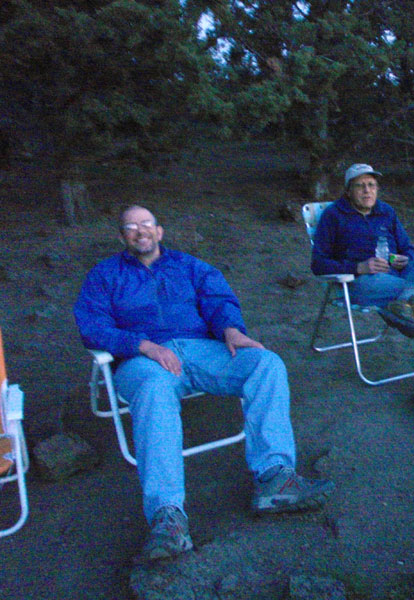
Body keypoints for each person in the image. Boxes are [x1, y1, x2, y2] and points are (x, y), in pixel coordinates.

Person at [74, 205, 334, 561]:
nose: (140, 231)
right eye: (131, 227)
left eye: (147, 223)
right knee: (153, 390)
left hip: (201, 350)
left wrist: (230, 329)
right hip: (142, 358)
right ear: (122, 237)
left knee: (266, 363)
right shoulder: (104, 276)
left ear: (159, 231)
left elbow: (219, 300)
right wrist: (143, 345)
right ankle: (168, 518)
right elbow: (92, 326)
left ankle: (275, 478)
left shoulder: (189, 266)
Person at [311, 163, 414, 400]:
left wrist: (405, 260)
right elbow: (318, 264)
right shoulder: (334, 216)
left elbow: (408, 248)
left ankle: (405, 300)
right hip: (362, 282)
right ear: (348, 191)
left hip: (397, 276)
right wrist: (358, 267)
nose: (367, 191)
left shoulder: (386, 212)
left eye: (372, 185)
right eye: (360, 186)